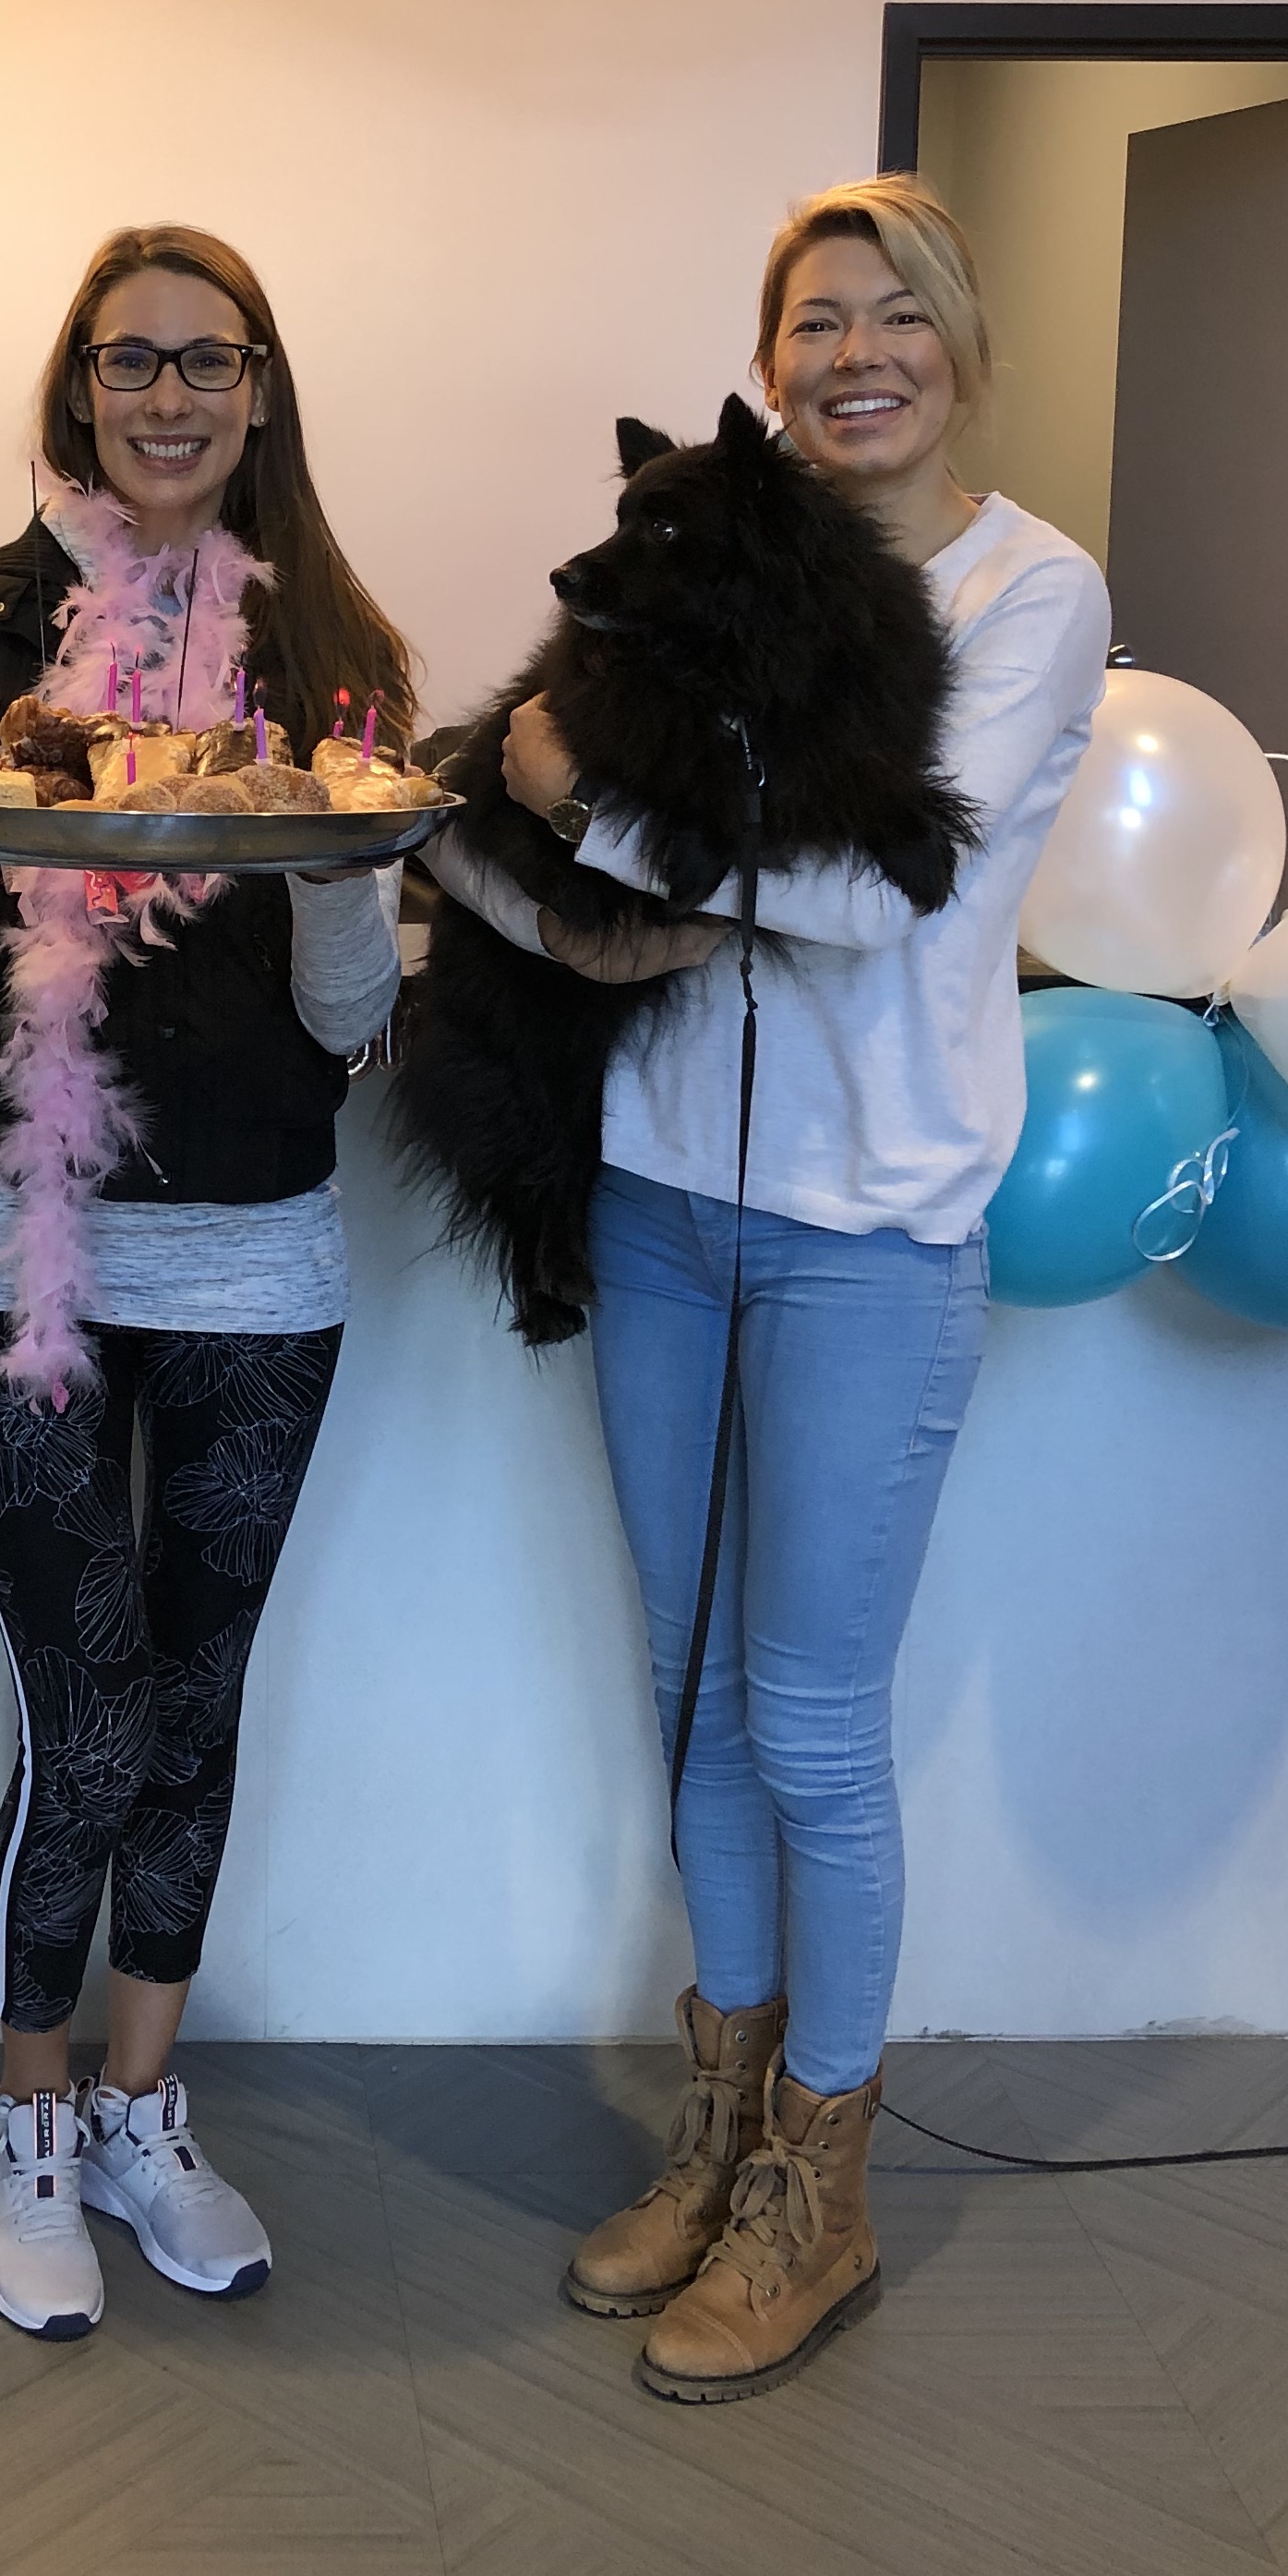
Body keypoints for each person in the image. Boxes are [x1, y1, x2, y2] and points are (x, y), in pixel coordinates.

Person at [428, 175, 1109, 2401]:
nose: (855, 353)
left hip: (870, 1231)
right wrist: (538, 826)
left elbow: (876, 896)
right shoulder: (712, 559)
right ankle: (719, 2135)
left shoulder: (1032, 594)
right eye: (815, 318)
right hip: (661, 1199)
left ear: (960, 342)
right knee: (692, 1695)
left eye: (896, 312)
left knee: (810, 1719)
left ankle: (825, 2187)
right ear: (769, 361)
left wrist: (576, 799)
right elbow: (586, 848)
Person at [0, 221, 409, 2339]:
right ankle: (26, 2122)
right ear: (77, 389)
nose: (167, 396)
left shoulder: (336, 645)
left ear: (261, 393)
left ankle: (141, 2109)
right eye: (128, 360)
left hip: (261, 1246)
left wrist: (343, 855)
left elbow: (349, 1021)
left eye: (207, 360)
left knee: (195, 1697)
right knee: (82, 1708)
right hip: (23, 1240)